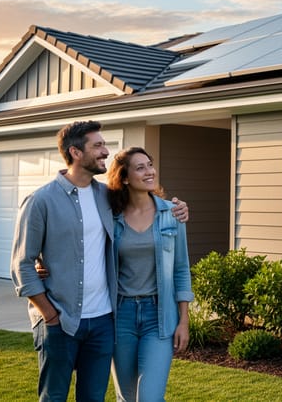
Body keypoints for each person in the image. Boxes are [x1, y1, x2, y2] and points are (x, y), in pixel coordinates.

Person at [10, 121, 188, 402]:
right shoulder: (40, 201)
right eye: (98, 146)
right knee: (53, 397)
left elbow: (143, 204)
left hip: (105, 320)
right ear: (76, 152)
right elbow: (22, 265)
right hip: (61, 319)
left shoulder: (107, 198)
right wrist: (50, 314)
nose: (106, 151)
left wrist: (176, 208)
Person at [106, 146, 193, 402]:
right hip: (120, 316)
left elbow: (181, 269)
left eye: (150, 164)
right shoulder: (110, 217)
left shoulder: (172, 213)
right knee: (127, 397)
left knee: (150, 398)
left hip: (159, 316)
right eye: (140, 167)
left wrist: (184, 320)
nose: (149, 171)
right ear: (124, 177)